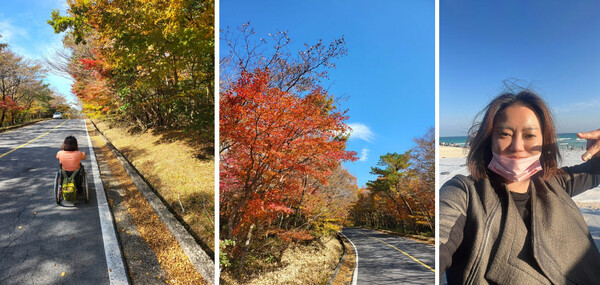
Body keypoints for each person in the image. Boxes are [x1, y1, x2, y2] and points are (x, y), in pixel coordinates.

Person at [439, 90, 600, 284]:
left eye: (530, 135)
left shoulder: (555, 183)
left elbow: (596, 169)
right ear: (489, 140)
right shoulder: (465, 193)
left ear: (544, 142)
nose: (517, 146)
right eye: (505, 134)